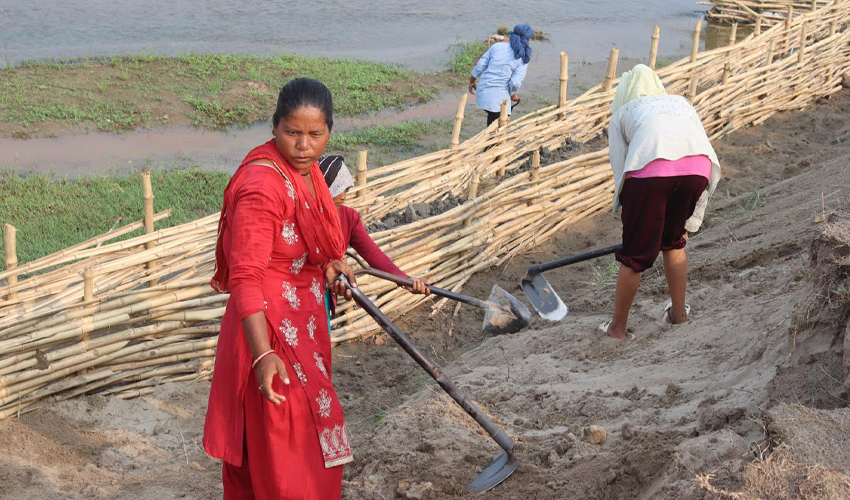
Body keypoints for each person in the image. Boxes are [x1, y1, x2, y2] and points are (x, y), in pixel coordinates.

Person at [204, 78, 357, 499]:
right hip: (266, 329)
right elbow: (245, 278)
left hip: (302, 325)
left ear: (329, 132)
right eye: (293, 132)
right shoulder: (262, 186)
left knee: (305, 434)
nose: (304, 145)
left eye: (315, 134)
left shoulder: (305, 174)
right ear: (274, 127)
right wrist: (263, 355)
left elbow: (309, 243)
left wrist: (330, 264)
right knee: (281, 446)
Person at [602, 64, 721, 341]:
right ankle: (679, 315)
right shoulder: (680, 102)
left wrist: (630, 217)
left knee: (635, 256)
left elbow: (622, 170)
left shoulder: (623, 112)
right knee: (674, 241)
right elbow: (696, 140)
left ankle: (617, 329)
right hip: (697, 169)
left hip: (651, 174)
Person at [318, 154, 430, 296]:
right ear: (321, 188)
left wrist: (406, 281)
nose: (343, 196)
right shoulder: (305, 217)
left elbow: (374, 255)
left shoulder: (349, 217)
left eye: (346, 190)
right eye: (337, 189)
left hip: (328, 294)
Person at [468, 24, 534, 127]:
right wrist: (513, 94)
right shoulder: (523, 58)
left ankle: (489, 137)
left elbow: (480, 66)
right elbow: (515, 82)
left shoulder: (497, 46)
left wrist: (472, 81)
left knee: (493, 117)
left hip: (483, 93)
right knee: (499, 122)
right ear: (527, 40)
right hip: (499, 99)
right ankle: (492, 141)